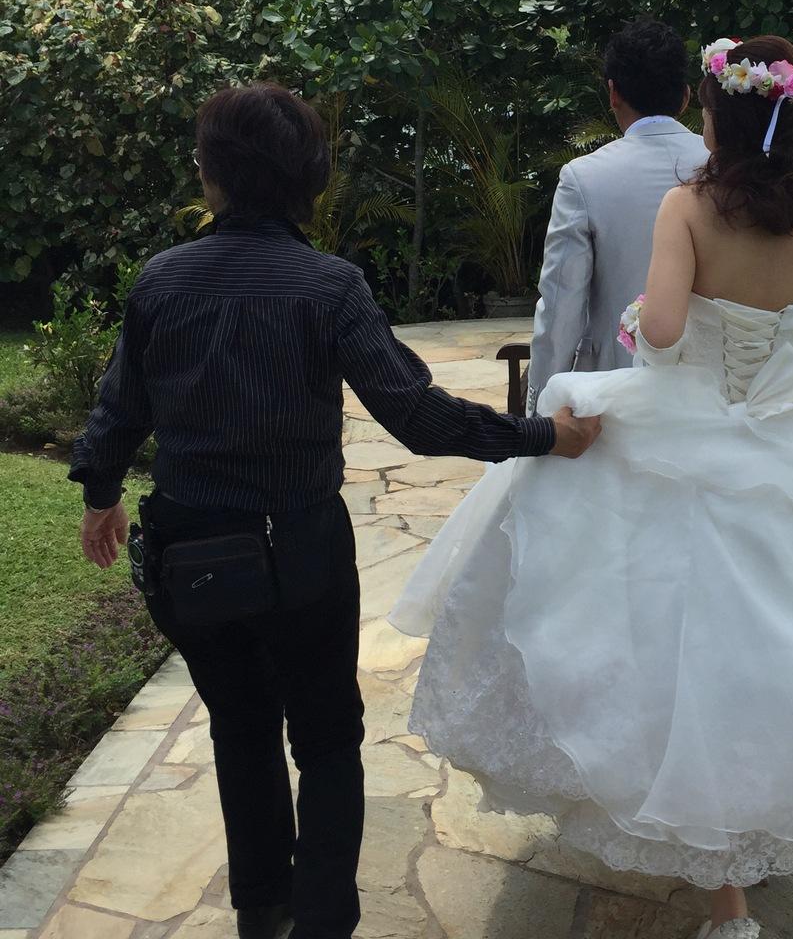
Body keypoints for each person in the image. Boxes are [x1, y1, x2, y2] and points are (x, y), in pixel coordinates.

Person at [391, 35, 793, 938]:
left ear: (715, 120)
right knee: (791, 640)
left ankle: (702, 853)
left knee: (669, 640)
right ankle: (765, 816)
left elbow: (656, 335)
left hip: (685, 436)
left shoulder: (688, 208)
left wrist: (650, 326)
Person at [71, 82, 599, 939]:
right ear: (311, 177)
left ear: (212, 174)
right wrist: (544, 435)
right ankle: (321, 923)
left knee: (240, 729)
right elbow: (417, 418)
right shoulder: (329, 287)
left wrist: (101, 497)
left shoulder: (163, 281)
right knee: (325, 740)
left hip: (191, 554)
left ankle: (261, 915)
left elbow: (118, 409)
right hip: (301, 553)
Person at [526, 16, 706, 413]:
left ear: (613, 93)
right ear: (685, 96)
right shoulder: (728, 169)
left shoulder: (584, 178)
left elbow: (560, 306)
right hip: (712, 392)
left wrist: (540, 409)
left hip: (612, 391)